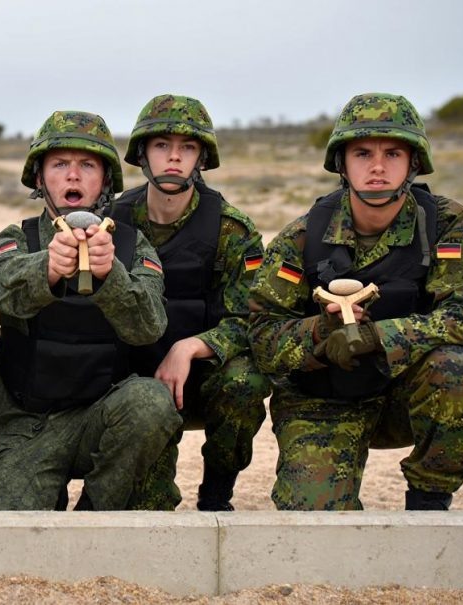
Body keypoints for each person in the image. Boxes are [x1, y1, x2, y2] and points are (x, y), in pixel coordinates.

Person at [248, 92, 463, 511]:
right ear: (342, 164)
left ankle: (429, 503)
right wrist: (319, 333)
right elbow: (263, 336)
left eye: (392, 153)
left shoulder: (444, 224)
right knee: (314, 521)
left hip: (403, 394)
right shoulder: (302, 237)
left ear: (413, 163)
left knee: (456, 369)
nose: (377, 167)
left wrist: (380, 337)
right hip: (322, 399)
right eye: (362, 153)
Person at [0, 110, 182, 511]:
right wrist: (49, 267)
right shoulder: (17, 238)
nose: (73, 176)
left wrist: (110, 276)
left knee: (151, 402)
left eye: (87, 166)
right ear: (40, 178)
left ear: (105, 180)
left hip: (102, 418)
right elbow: (6, 294)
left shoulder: (133, 246)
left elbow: (150, 326)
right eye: (60, 164)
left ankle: (96, 513)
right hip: (29, 421)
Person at [109, 94, 270, 511]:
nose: (174, 157)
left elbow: (254, 319)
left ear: (201, 158)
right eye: (162, 145)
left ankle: (216, 494)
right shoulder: (112, 221)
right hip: (133, 377)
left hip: (204, 375)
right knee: (148, 507)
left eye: (187, 147)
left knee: (245, 381)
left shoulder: (231, 230)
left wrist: (191, 347)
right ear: (142, 154)